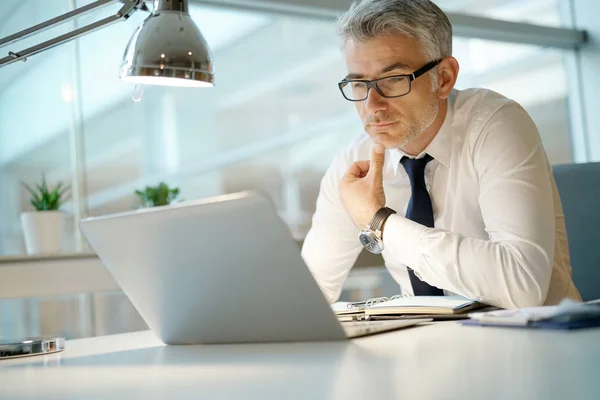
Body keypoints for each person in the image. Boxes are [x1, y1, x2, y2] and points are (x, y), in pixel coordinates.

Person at [301, 0, 581, 309]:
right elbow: (307, 293)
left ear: (444, 78)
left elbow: (522, 285)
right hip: (426, 347)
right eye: (358, 83)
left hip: (538, 342)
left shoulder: (496, 125)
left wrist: (380, 222)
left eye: (393, 80)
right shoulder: (353, 164)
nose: (372, 106)